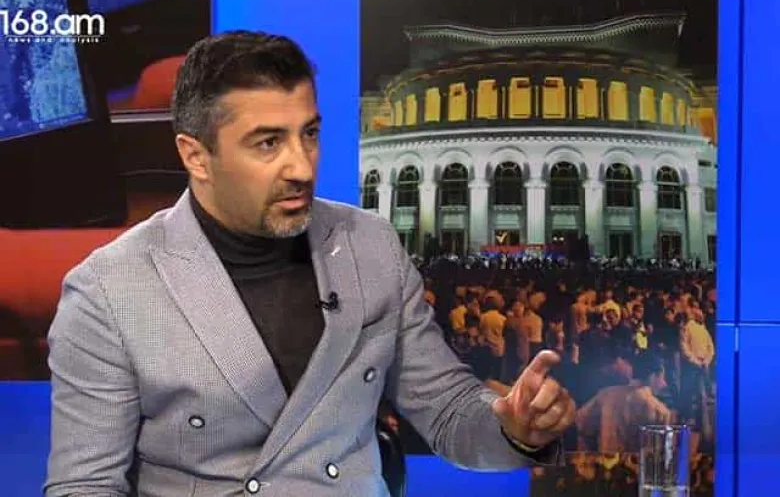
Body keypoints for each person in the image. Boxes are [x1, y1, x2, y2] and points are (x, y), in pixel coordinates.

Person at [43, 30, 575, 497]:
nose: (301, 166)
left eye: (310, 134)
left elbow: (448, 410)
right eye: (268, 143)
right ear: (195, 156)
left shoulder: (370, 245)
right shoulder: (109, 291)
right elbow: (85, 486)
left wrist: (513, 428)